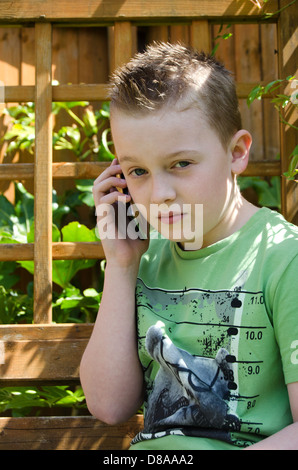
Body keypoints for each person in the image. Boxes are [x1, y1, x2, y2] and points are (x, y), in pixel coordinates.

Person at [80, 42, 298, 450]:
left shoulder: (284, 257)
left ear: (236, 152)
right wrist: (122, 265)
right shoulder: (145, 257)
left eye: (180, 164)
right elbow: (108, 406)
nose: (159, 193)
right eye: (138, 171)